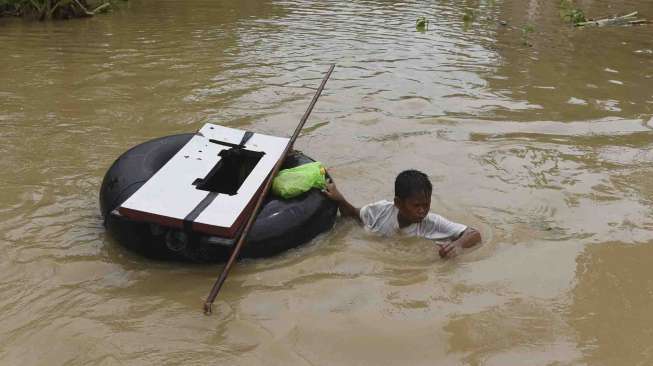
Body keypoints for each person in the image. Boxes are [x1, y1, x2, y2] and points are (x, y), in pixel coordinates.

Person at [323, 169, 481, 259]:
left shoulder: (432, 223)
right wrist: (340, 199)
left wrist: (457, 246)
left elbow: (474, 234)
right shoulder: (381, 210)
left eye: (426, 205)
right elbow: (355, 215)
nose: (422, 210)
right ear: (398, 203)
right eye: (416, 205)